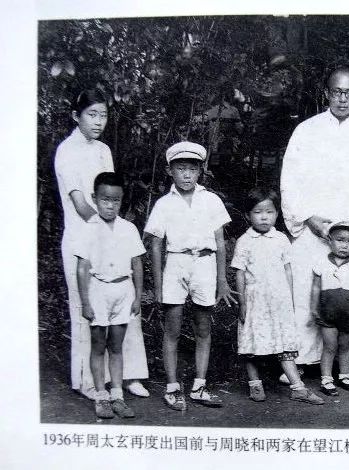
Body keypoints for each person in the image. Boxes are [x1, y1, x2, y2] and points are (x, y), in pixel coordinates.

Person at [280, 67, 349, 386]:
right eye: (337, 92)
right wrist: (307, 217)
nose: (342, 99)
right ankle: (301, 360)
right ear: (327, 93)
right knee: (307, 290)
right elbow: (290, 180)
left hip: (348, 233)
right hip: (312, 227)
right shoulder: (306, 131)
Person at [54, 89, 149, 400]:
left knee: (125, 301)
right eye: (91, 115)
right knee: (89, 312)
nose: (98, 121)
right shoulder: (66, 151)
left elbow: (110, 192)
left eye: (103, 115)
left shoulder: (104, 150)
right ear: (76, 116)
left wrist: (117, 231)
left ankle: (128, 376)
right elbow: (81, 203)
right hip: (83, 238)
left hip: (111, 235)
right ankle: (89, 382)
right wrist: (107, 229)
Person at [144, 141, 236, 411]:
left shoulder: (211, 200)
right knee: (172, 328)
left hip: (205, 265)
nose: (186, 174)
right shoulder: (164, 204)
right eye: (181, 168)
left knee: (203, 327)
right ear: (170, 171)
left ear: (200, 171)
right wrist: (158, 285)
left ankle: (199, 386)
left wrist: (222, 280)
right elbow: (156, 244)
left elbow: (220, 242)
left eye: (192, 169)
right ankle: (172, 387)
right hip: (176, 263)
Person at [231, 188, 324, 405]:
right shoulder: (245, 241)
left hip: (279, 301)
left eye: (269, 212)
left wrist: (289, 298)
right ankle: (255, 384)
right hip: (255, 301)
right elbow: (240, 273)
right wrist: (242, 302)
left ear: (276, 214)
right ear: (248, 215)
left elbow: (288, 270)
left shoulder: (281, 239)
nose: (264, 217)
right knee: (251, 342)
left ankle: (298, 387)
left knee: (284, 342)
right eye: (258, 212)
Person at [74, 172, 144, 419]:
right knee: (98, 345)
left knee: (116, 345)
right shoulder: (88, 229)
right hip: (98, 290)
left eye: (116, 200)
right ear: (95, 198)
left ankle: (117, 395)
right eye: (105, 199)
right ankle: (101, 396)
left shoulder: (129, 228)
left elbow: (137, 263)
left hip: (123, 290)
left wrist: (138, 296)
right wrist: (85, 302)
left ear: (122, 200)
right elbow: (82, 267)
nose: (110, 205)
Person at [310, 222, 349, 396]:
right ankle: (326, 380)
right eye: (340, 240)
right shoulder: (322, 263)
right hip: (327, 314)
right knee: (329, 346)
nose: (345, 245)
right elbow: (315, 287)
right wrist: (314, 308)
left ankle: (344, 377)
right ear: (330, 240)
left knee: (344, 347)